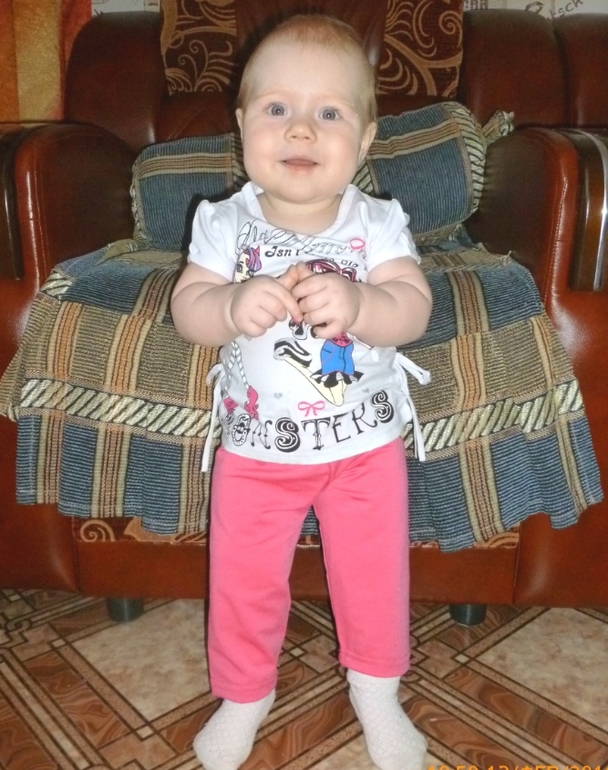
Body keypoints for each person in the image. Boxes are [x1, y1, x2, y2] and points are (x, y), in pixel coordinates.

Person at [170, 13, 433, 770]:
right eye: (278, 107)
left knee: (373, 580)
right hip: (256, 450)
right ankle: (243, 695)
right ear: (242, 124)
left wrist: (363, 304)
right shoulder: (223, 223)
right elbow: (188, 310)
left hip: (363, 448)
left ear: (367, 140)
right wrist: (227, 305)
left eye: (330, 114)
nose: (301, 130)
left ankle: (377, 692)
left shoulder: (377, 222)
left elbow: (413, 308)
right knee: (243, 582)